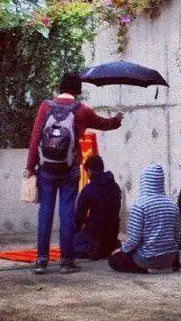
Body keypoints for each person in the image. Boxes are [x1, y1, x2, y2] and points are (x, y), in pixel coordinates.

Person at [24, 72, 123, 274]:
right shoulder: (81, 110)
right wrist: (117, 120)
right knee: (67, 213)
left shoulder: (45, 107)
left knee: (45, 213)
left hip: (46, 169)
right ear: (78, 90)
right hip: (69, 170)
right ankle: (66, 261)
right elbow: (103, 124)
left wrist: (29, 166)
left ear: (60, 88)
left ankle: (41, 260)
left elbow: (35, 138)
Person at [108, 164, 181, 273]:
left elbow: (133, 240)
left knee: (113, 259)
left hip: (147, 259)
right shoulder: (172, 205)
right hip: (169, 259)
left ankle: (150, 269)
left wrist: (122, 250)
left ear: (144, 182)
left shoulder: (140, 205)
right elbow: (177, 237)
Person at [74, 155, 121, 260]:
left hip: (94, 232)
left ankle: (92, 248)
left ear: (89, 171)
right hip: (112, 232)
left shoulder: (88, 189)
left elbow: (79, 216)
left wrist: (76, 232)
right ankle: (109, 246)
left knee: (69, 245)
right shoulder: (115, 187)